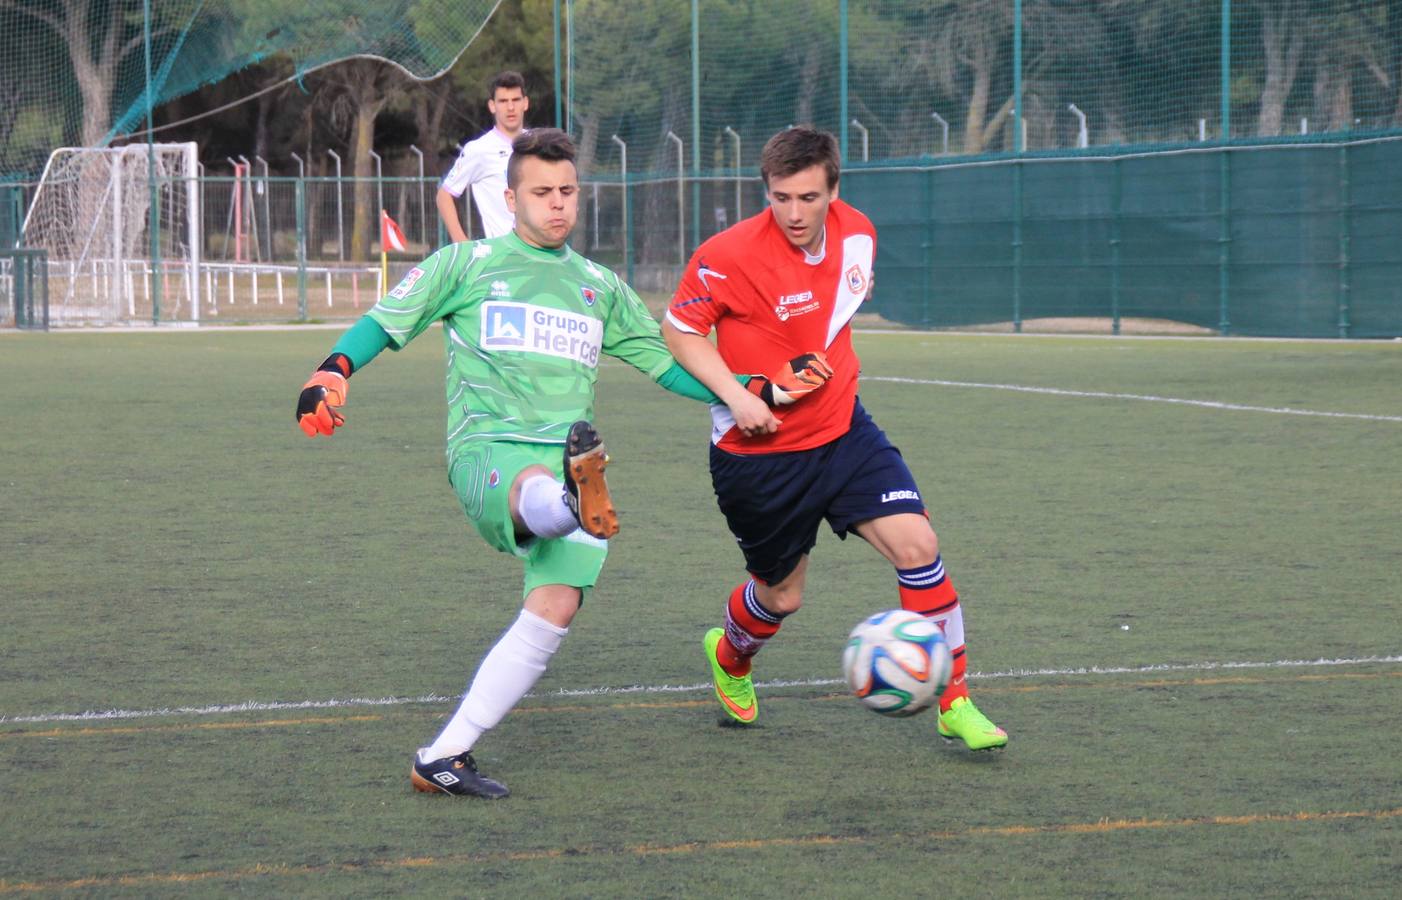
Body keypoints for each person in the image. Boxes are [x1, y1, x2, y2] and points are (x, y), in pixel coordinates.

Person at [295, 129, 807, 798]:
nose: (558, 203)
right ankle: (569, 500)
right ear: (511, 200)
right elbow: (385, 322)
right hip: (490, 449)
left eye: (567, 190)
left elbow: (666, 364)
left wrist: (750, 388)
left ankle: (443, 756)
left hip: (572, 455)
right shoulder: (467, 264)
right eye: (542, 192)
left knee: (555, 607)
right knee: (540, 487)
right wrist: (332, 371)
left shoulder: (599, 286)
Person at [662, 126, 1008, 751]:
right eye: (780, 198)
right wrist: (740, 396)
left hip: (844, 430)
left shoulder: (859, 234)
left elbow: (844, 290)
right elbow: (680, 332)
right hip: (759, 458)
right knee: (781, 596)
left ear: (834, 191)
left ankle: (953, 700)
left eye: (809, 198)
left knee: (919, 545)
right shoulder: (728, 254)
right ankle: (731, 656)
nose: (794, 213)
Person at [435, 70, 530, 242]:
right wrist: (462, 243)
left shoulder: (537, 143)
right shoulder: (479, 149)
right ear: (492, 106)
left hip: (542, 250)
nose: (510, 107)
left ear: (525, 103)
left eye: (516, 100)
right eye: (503, 101)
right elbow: (444, 195)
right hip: (504, 253)